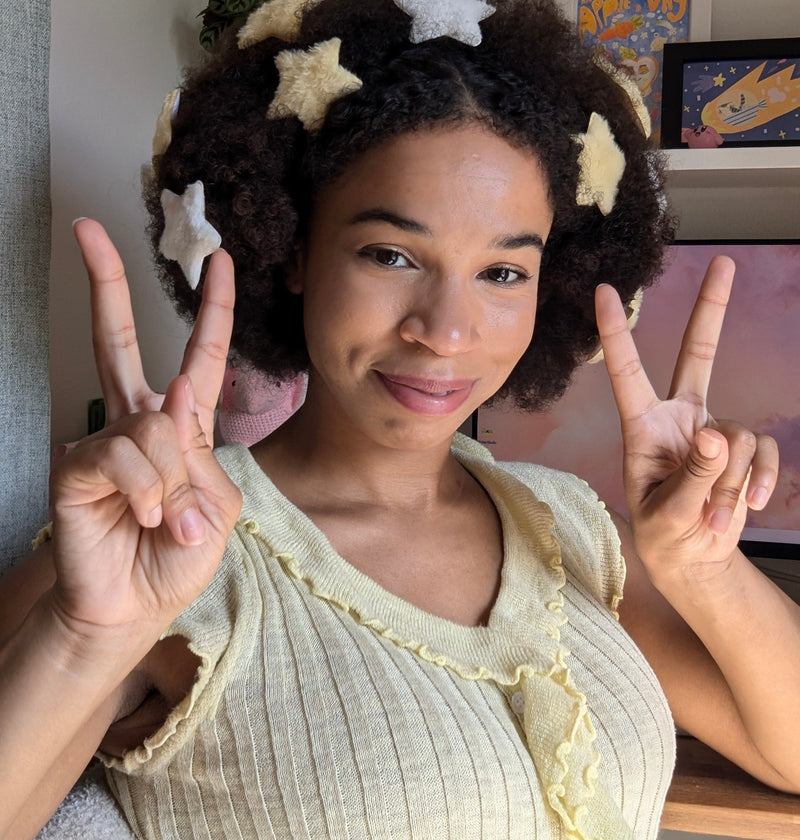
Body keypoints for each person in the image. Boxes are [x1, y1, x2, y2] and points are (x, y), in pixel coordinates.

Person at [1, 1, 798, 838]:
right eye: (391, 255)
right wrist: (82, 638)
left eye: (502, 271)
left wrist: (707, 574)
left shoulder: (568, 526)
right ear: (296, 251)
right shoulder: (158, 541)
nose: (447, 331)